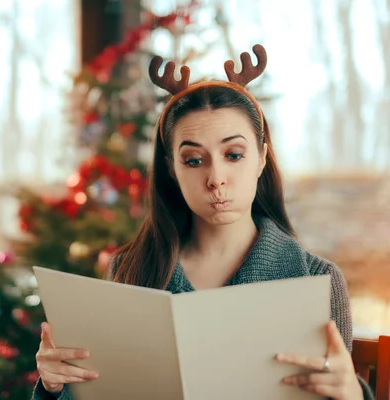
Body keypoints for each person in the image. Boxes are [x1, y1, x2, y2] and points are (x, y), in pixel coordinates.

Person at [31, 45, 374, 400]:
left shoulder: (317, 279)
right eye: (194, 160)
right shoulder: (129, 271)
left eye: (234, 155)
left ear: (260, 159)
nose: (216, 178)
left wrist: (352, 394)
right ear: (172, 169)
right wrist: (56, 386)